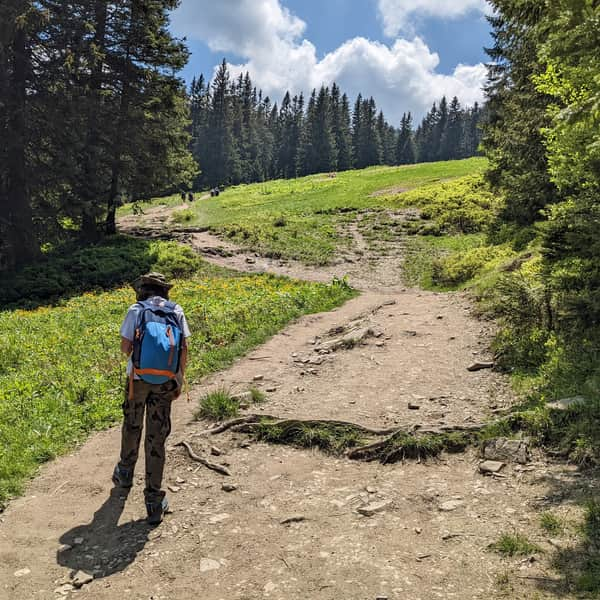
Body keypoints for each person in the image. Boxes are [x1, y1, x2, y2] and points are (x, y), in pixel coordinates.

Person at [112, 272, 191, 525]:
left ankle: (125, 473)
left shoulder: (136, 310)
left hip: (137, 380)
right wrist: (178, 378)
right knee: (156, 438)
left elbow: (125, 348)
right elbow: (184, 348)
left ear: (142, 290)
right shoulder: (176, 310)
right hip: (165, 382)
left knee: (132, 425)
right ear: (164, 291)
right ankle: (154, 502)